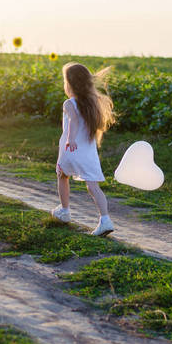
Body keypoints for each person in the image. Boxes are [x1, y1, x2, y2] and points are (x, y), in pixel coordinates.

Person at [52, 62, 116, 236]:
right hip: (88, 153)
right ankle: (105, 220)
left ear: (70, 84)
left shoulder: (69, 103)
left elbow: (74, 121)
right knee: (93, 186)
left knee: (62, 174)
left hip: (71, 150)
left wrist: (70, 139)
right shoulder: (92, 103)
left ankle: (65, 211)